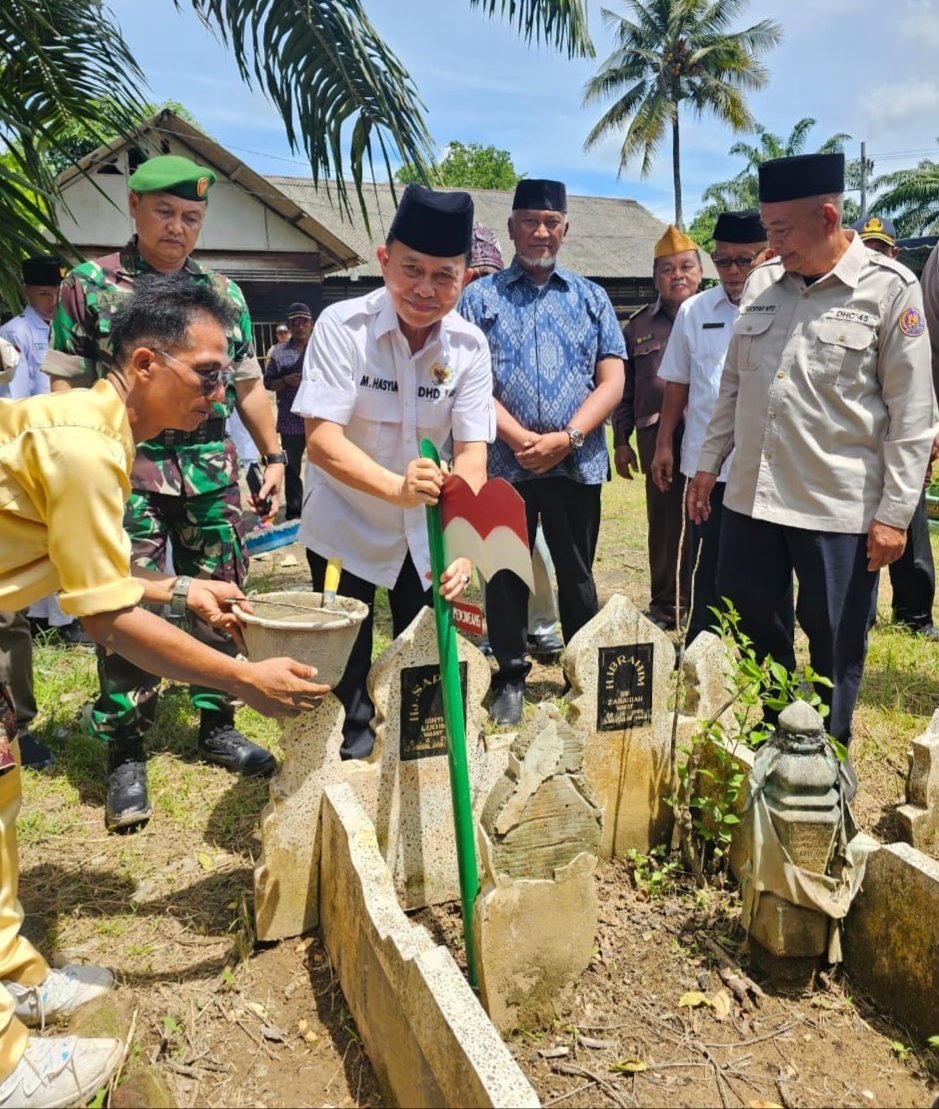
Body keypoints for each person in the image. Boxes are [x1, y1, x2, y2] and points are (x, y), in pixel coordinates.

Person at [0, 276, 326, 1109]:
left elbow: (102, 570)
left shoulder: (102, 436)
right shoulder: (85, 446)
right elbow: (106, 621)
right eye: (209, 373)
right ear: (145, 362)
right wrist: (242, 678)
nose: (223, 391)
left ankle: (15, 975)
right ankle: (5, 1063)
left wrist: (180, 590)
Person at [45, 154, 289, 831]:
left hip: (210, 468)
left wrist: (273, 455)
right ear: (133, 207)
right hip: (125, 467)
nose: (178, 227)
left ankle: (217, 720)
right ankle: (126, 741)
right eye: (165, 213)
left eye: (191, 216)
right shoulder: (90, 286)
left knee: (224, 593)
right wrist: (76, 459)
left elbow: (247, 386)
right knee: (121, 594)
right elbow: (65, 382)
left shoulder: (223, 293)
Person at [689, 153, 938, 752]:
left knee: (835, 637)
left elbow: (913, 415)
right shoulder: (761, 287)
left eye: (779, 231)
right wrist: (707, 463)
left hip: (837, 509)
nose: (767, 246)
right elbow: (733, 387)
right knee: (751, 617)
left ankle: (827, 758)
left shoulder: (889, 289)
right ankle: (775, 734)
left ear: (827, 216)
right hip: (752, 497)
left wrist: (894, 515)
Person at [294, 184, 492, 758]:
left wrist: (463, 542)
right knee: (343, 668)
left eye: (443, 276)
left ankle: (418, 774)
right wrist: (395, 488)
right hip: (345, 527)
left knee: (426, 657)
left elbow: (474, 453)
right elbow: (322, 441)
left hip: (424, 534)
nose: (424, 290)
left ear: (465, 278)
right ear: (383, 261)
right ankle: (347, 765)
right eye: (411, 269)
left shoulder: (470, 348)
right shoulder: (342, 327)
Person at [460, 179, 626, 725]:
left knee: (577, 573)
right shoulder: (479, 298)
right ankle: (509, 675)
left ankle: (583, 670)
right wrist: (514, 436)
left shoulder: (591, 296)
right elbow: (467, 378)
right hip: (505, 464)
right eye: (529, 220)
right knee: (504, 571)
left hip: (575, 464)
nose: (540, 231)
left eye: (550, 222)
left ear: (565, 230)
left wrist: (568, 438)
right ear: (511, 228)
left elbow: (612, 379)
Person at [651, 211, 771, 642]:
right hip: (708, 465)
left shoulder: (786, 304)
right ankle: (702, 643)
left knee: (763, 566)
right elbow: (678, 382)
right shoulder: (696, 311)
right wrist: (664, 444)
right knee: (707, 561)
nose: (734, 272)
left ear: (767, 255)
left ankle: (759, 648)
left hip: (767, 466)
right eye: (724, 262)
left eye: (745, 260)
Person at [466, 224, 562, 659]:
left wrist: (525, 437)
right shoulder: (453, 315)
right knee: (488, 545)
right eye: (471, 273)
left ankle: (540, 622)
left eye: (484, 271)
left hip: (518, 449)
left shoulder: (505, 302)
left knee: (534, 545)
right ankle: (500, 627)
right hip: (474, 447)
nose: (476, 281)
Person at [0, 258, 77, 772]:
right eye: (44, 293)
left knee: (10, 610)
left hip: (32, 456)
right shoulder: (14, 333)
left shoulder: (66, 326)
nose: (51, 300)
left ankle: (16, 727)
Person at [852, 214, 938, 641]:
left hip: (903, 433)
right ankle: (861, 614)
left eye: (880, 249)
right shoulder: (846, 297)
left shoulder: (910, 294)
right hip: (861, 439)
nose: (873, 255)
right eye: (866, 246)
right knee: (858, 530)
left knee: (911, 518)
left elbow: (922, 374)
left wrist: (931, 428)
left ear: (894, 252)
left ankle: (915, 614)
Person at [613, 225, 703, 630]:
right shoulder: (637, 326)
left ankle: (704, 601)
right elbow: (625, 390)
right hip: (656, 440)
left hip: (706, 437)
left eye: (686, 266)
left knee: (708, 518)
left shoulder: (716, 316)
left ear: (701, 272)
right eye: (667, 270)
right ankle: (666, 604)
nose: (677, 275)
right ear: (655, 278)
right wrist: (621, 440)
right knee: (664, 524)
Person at [264, 302, 313, 520]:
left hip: (318, 417)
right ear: (289, 326)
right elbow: (268, 383)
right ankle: (295, 513)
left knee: (324, 466)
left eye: (304, 321)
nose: (300, 326)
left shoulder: (322, 347)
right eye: (295, 322)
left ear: (311, 324)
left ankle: (320, 510)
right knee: (292, 468)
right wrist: (285, 380)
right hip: (291, 419)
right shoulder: (279, 353)